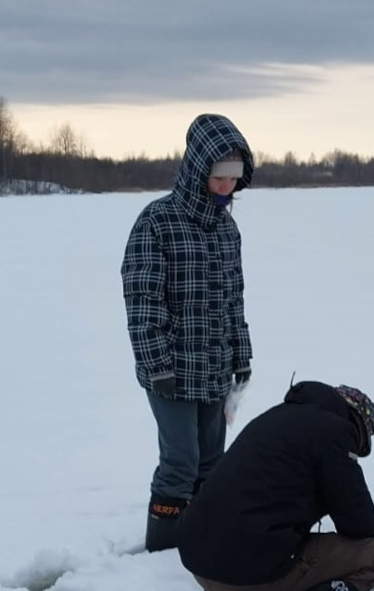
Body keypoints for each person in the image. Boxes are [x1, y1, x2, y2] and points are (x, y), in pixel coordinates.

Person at [122, 113, 254, 552]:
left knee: (212, 466)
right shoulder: (157, 222)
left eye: (234, 176)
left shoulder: (227, 230)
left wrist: (242, 355)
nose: (226, 185)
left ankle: (201, 547)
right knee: (180, 464)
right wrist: (156, 364)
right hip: (171, 373)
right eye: (219, 175)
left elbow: (233, 299)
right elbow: (143, 301)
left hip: (215, 369)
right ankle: (161, 554)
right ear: (198, 168)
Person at [176, 380, 374, 591]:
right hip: (242, 576)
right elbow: (361, 526)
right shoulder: (334, 432)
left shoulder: (275, 417)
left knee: (235, 524)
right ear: (357, 424)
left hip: (197, 561)